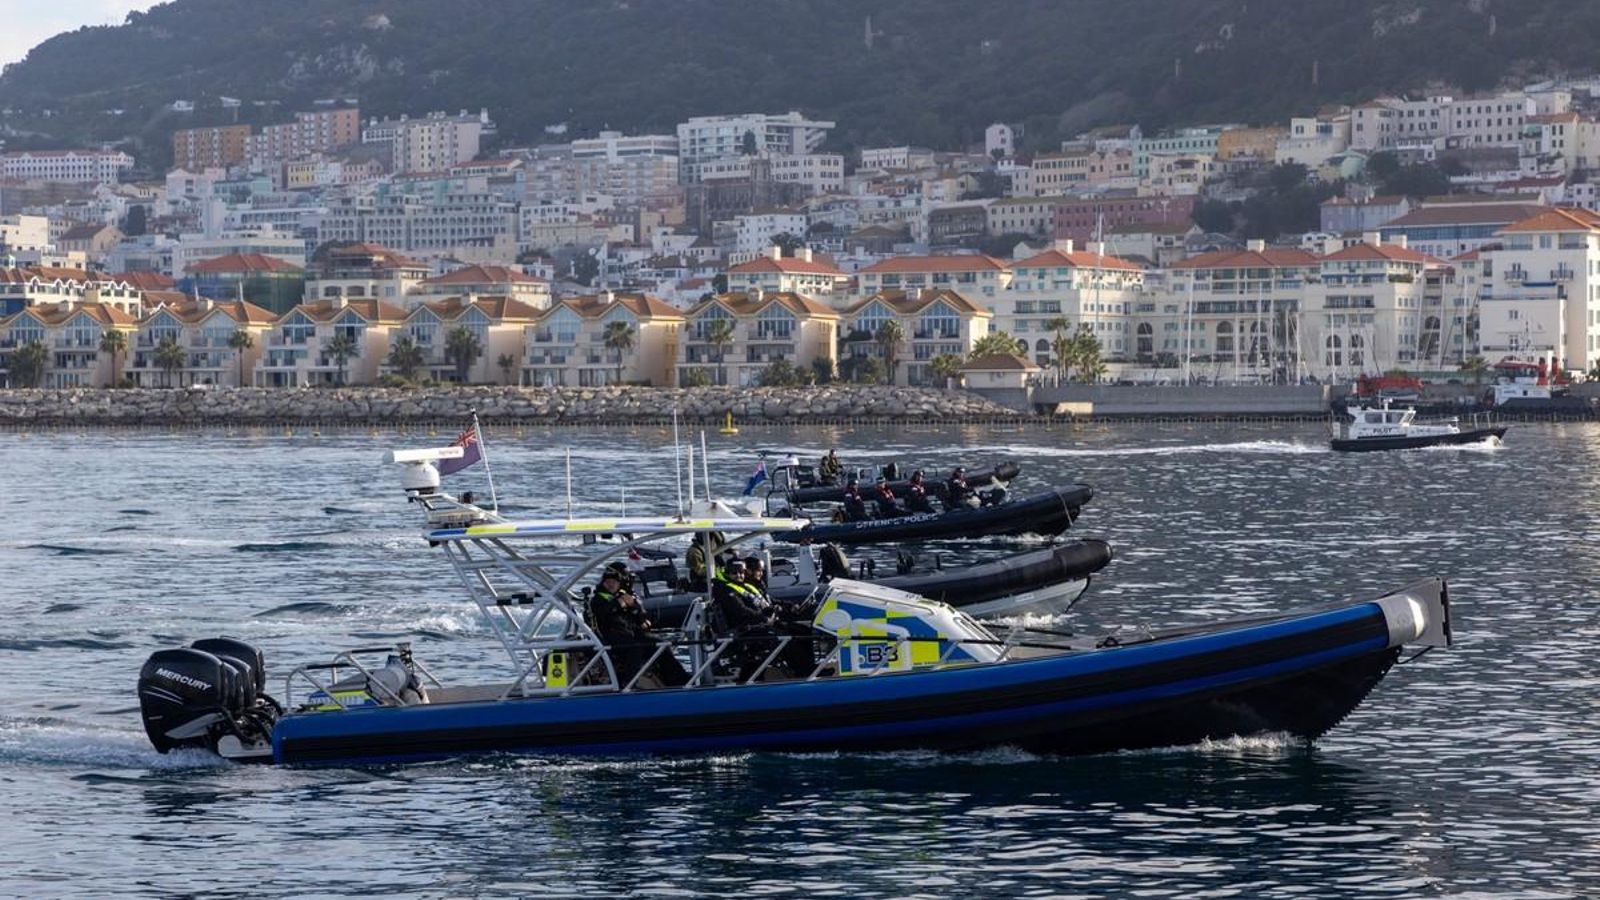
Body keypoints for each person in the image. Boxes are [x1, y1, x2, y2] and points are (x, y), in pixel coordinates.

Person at [589, 565, 688, 688]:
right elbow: (603, 613)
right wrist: (618, 604)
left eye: (614, 582)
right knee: (634, 649)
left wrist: (634, 606)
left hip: (629, 635)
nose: (610, 585)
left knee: (660, 644)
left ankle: (679, 680)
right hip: (612, 637)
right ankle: (629, 684)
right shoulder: (598, 599)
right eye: (608, 582)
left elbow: (641, 617)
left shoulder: (625, 595)